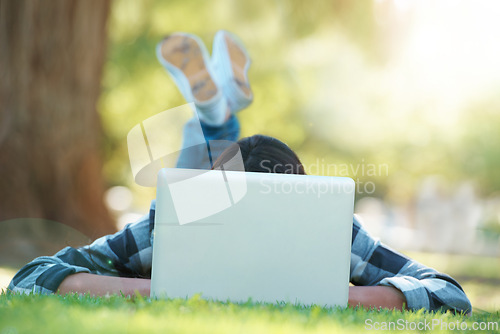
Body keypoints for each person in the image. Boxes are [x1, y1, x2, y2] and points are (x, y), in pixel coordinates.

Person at [8, 31, 471, 314]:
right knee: (194, 183)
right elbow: (30, 279)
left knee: (199, 173)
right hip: (198, 199)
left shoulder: (332, 231)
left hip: (204, 192)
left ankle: (212, 115)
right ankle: (214, 115)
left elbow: (450, 295)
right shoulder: (173, 225)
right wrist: (153, 289)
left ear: (306, 201)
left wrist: (341, 298)